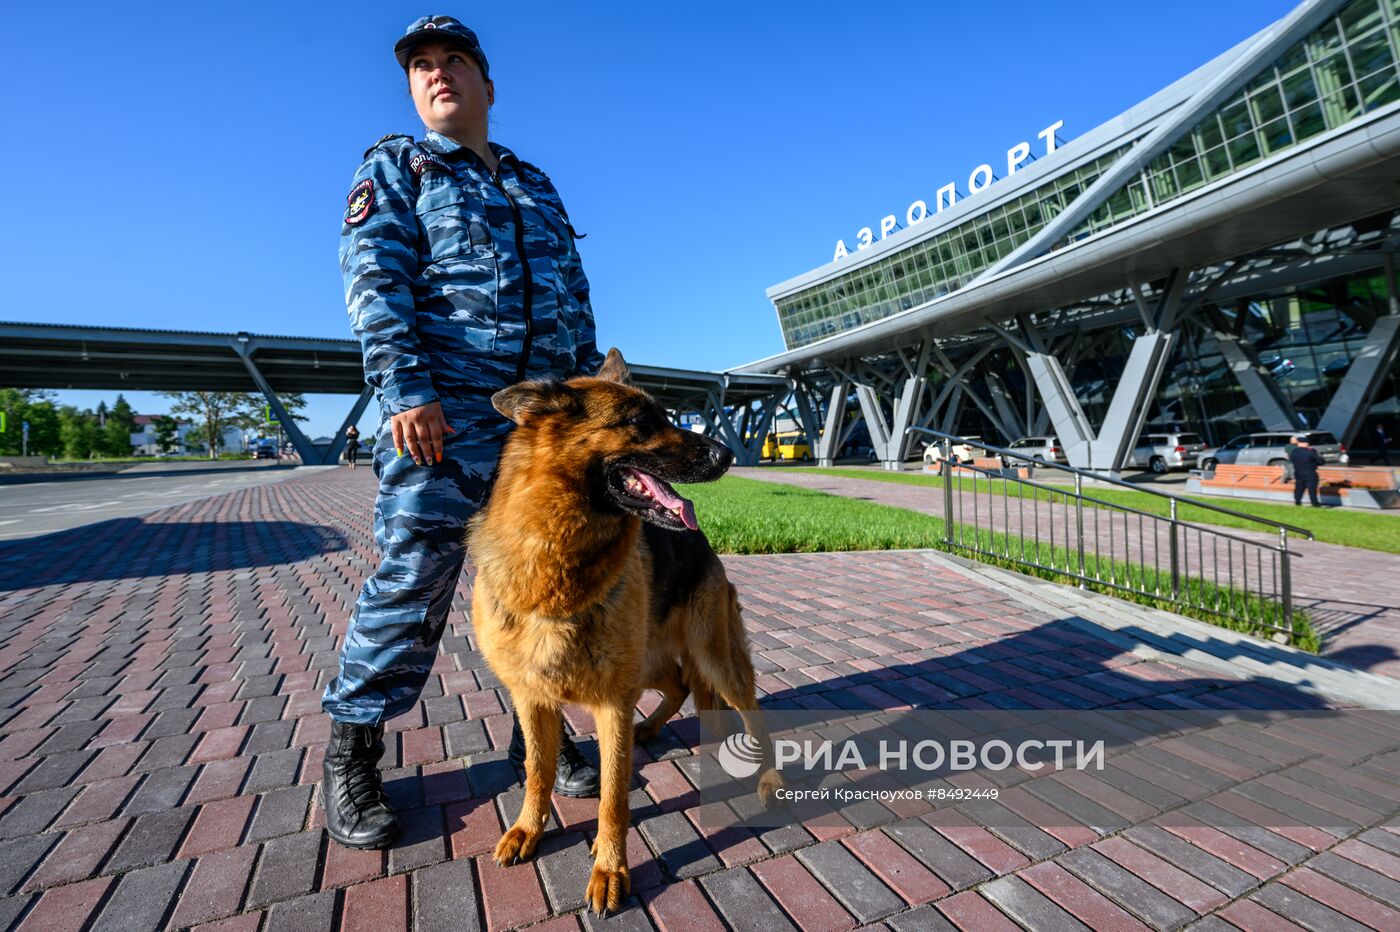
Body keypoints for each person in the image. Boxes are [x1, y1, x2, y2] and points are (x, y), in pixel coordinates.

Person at [321, 15, 606, 851]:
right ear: (412, 90)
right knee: (413, 584)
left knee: (544, 586)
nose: (436, 74)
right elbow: (376, 281)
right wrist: (405, 391)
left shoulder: (535, 184)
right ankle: (354, 751)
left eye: (453, 61)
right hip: (441, 421)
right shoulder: (397, 167)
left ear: (487, 84)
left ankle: (537, 737)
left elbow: (576, 303)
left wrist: (589, 406)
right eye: (420, 67)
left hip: (543, 438)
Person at [1288, 434, 1324, 507]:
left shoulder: (1294, 451)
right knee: (1312, 489)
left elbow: (1292, 460)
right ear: (1306, 443)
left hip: (1298, 472)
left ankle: (1297, 501)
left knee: (1299, 488)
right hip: (1310, 472)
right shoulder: (1311, 451)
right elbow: (1320, 461)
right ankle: (1314, 503)